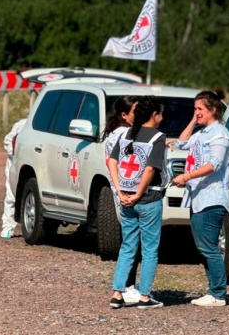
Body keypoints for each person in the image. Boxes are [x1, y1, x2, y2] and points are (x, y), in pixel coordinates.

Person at [169, 90, 229, 307]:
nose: (196, 113)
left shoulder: (220, 134)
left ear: (213, 110)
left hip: (212, 197)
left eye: (200, 109)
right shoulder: (202, 133)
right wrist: (193, 120)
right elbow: (180, 143)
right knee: (202, 246)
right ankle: (213, 290)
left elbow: (214, 164)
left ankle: (218, 293)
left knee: (209, 246)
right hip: (198, 197)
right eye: (194, 109)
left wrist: (186, 176)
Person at [108, 95, 167, 310]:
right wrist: (139, 194)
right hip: (148, 199)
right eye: (160, 113)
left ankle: (117, 293)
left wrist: (120, 190)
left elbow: (112, 162)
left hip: (126, 197)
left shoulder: (126, 134)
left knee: (127, 246)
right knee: (150, 249)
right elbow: (150, 169)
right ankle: (144, 296)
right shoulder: (158, 137)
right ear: (154, 115)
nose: (162, 117)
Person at [101, 95, 141, 304]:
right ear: (125, 115)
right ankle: (127, 287)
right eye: (136, 111)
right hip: (128, 193)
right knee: (132, 241)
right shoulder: (126, 135)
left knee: (130, 240)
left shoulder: (113, 135)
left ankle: (126, 286)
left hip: (120, 191)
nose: (141, 114)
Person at [1, 118, 27, 238]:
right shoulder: (22, 125)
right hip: (14, 165)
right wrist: (16, 155)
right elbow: (8, 141)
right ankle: (8, 227)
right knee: (11, 196)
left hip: (31, 167)